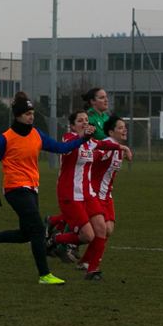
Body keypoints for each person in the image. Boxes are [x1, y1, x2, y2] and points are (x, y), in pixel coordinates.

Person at [0, 92, 91, 285]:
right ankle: (44, 274)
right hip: (15, 189)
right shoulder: (6, 138)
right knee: (38, 229)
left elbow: (60, 148)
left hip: (31, 188)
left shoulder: (37, 134)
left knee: (26, 234)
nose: (31, 116)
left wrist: (83, 138)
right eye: (27, 113)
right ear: (18, 115)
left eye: (32, 113)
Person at [50, 110, 131, 266]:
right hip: (76, 193)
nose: (85, 123)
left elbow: (101, 145)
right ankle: (59, 236)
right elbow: (73, 150)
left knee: (103, 230)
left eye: (87, 120)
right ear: (72, 126)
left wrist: (122, 147)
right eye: (80, 121)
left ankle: (88, 264)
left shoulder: (93, 142)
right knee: (91, 233)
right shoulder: (69, 138)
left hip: (97, 194)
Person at [81, 114, 131, 281]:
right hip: (94, 193)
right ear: (111, 132)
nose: (124, 130)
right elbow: (92, 157)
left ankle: (85, 261)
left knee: (108, 230)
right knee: (100, 230)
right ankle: (92, 268)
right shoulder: (108, 146)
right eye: (120, 127)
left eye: (125, 127)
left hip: (107, 196)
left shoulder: (119, 149)